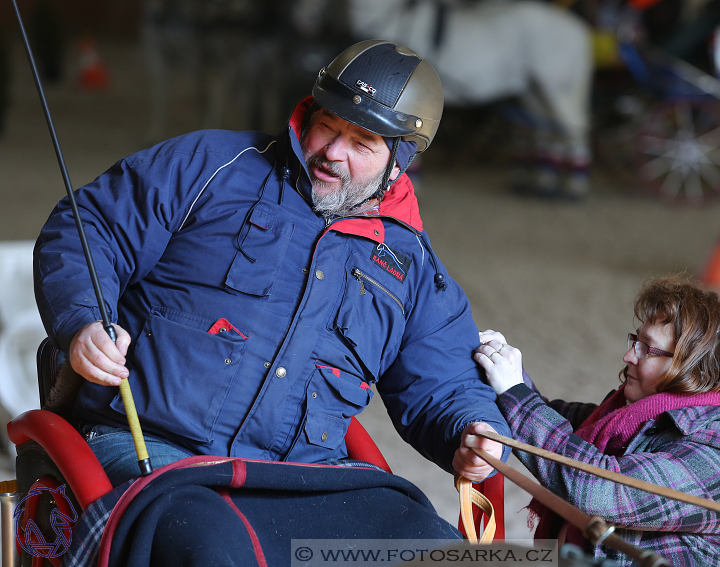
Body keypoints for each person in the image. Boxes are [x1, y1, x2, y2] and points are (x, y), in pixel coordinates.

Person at [34, 40, 507, 493]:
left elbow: (446, 381)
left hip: (296, 479)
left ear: (400, 163)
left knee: (415, 538)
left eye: (362, 142)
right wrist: (84, 321)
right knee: (213, 542)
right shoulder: (212, 166)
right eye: (328, 126)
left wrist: (473, 431)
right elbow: (90, 228)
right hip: (153, 451)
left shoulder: (412, 266)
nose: (332, 152)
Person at [474, 275, 720, 566]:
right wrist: (505, 368)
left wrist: (513, 390)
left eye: (647, 348)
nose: (629, 355)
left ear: (696, 372)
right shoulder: (635, 418)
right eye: (635, 341)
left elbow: (603, 489)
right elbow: (551, 421)